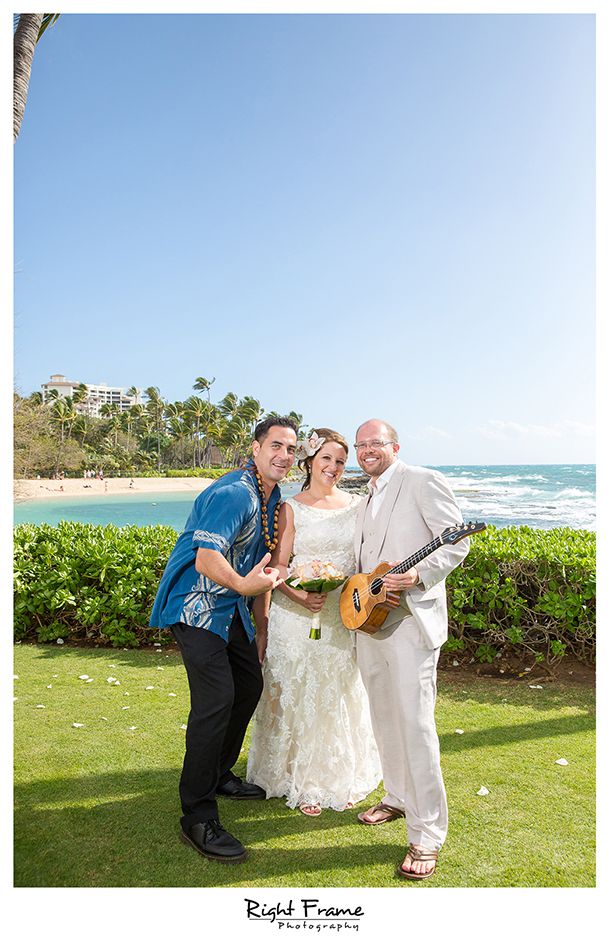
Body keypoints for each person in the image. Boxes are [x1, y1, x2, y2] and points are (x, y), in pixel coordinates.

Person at [150, 416, 298, 862]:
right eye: (275, 445)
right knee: (215, 702)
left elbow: (262, 572)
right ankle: (196, 816)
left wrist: (262, 626)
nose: (284, 455)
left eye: (291, 449)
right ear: (255, 448)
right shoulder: (235, 492)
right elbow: (206, 557)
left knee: (249, 685)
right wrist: (246, 587)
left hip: (229, 609)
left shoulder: (271, 500)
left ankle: (217, 774)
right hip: (195, 607)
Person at [353, 418, 469, 881]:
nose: (366, 451)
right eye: (360, 445)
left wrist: (418, 575)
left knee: (417, 727)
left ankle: (427, 834)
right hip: (370, 623)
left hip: (412, 624)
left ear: (394, 446)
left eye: (374, 444)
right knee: (384, 719)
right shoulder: (366, 493)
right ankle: (397, 797)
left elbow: (456, 543)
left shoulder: (423, 480)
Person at [247, 428, 381, 816]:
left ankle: (337, 775)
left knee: (335, 692)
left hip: (340, 617)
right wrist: (300, 596)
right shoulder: (292, 508)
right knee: (298, 691)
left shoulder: (358, 506)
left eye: (341, 461)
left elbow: (363, 562)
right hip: (294, 618)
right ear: (309, 462)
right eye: (327, 459)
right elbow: (279, 566)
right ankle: (302, 781)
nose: (335, 467)